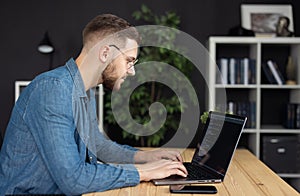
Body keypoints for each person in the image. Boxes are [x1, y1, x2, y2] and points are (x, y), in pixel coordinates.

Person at [0, 14, 188, 195]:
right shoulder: (53, 89)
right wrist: (145, 172)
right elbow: (73, 179)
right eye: (128, 61)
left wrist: (146, 157)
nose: (132, 72)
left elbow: (97, 146)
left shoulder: (85, 90)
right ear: (105, 52)